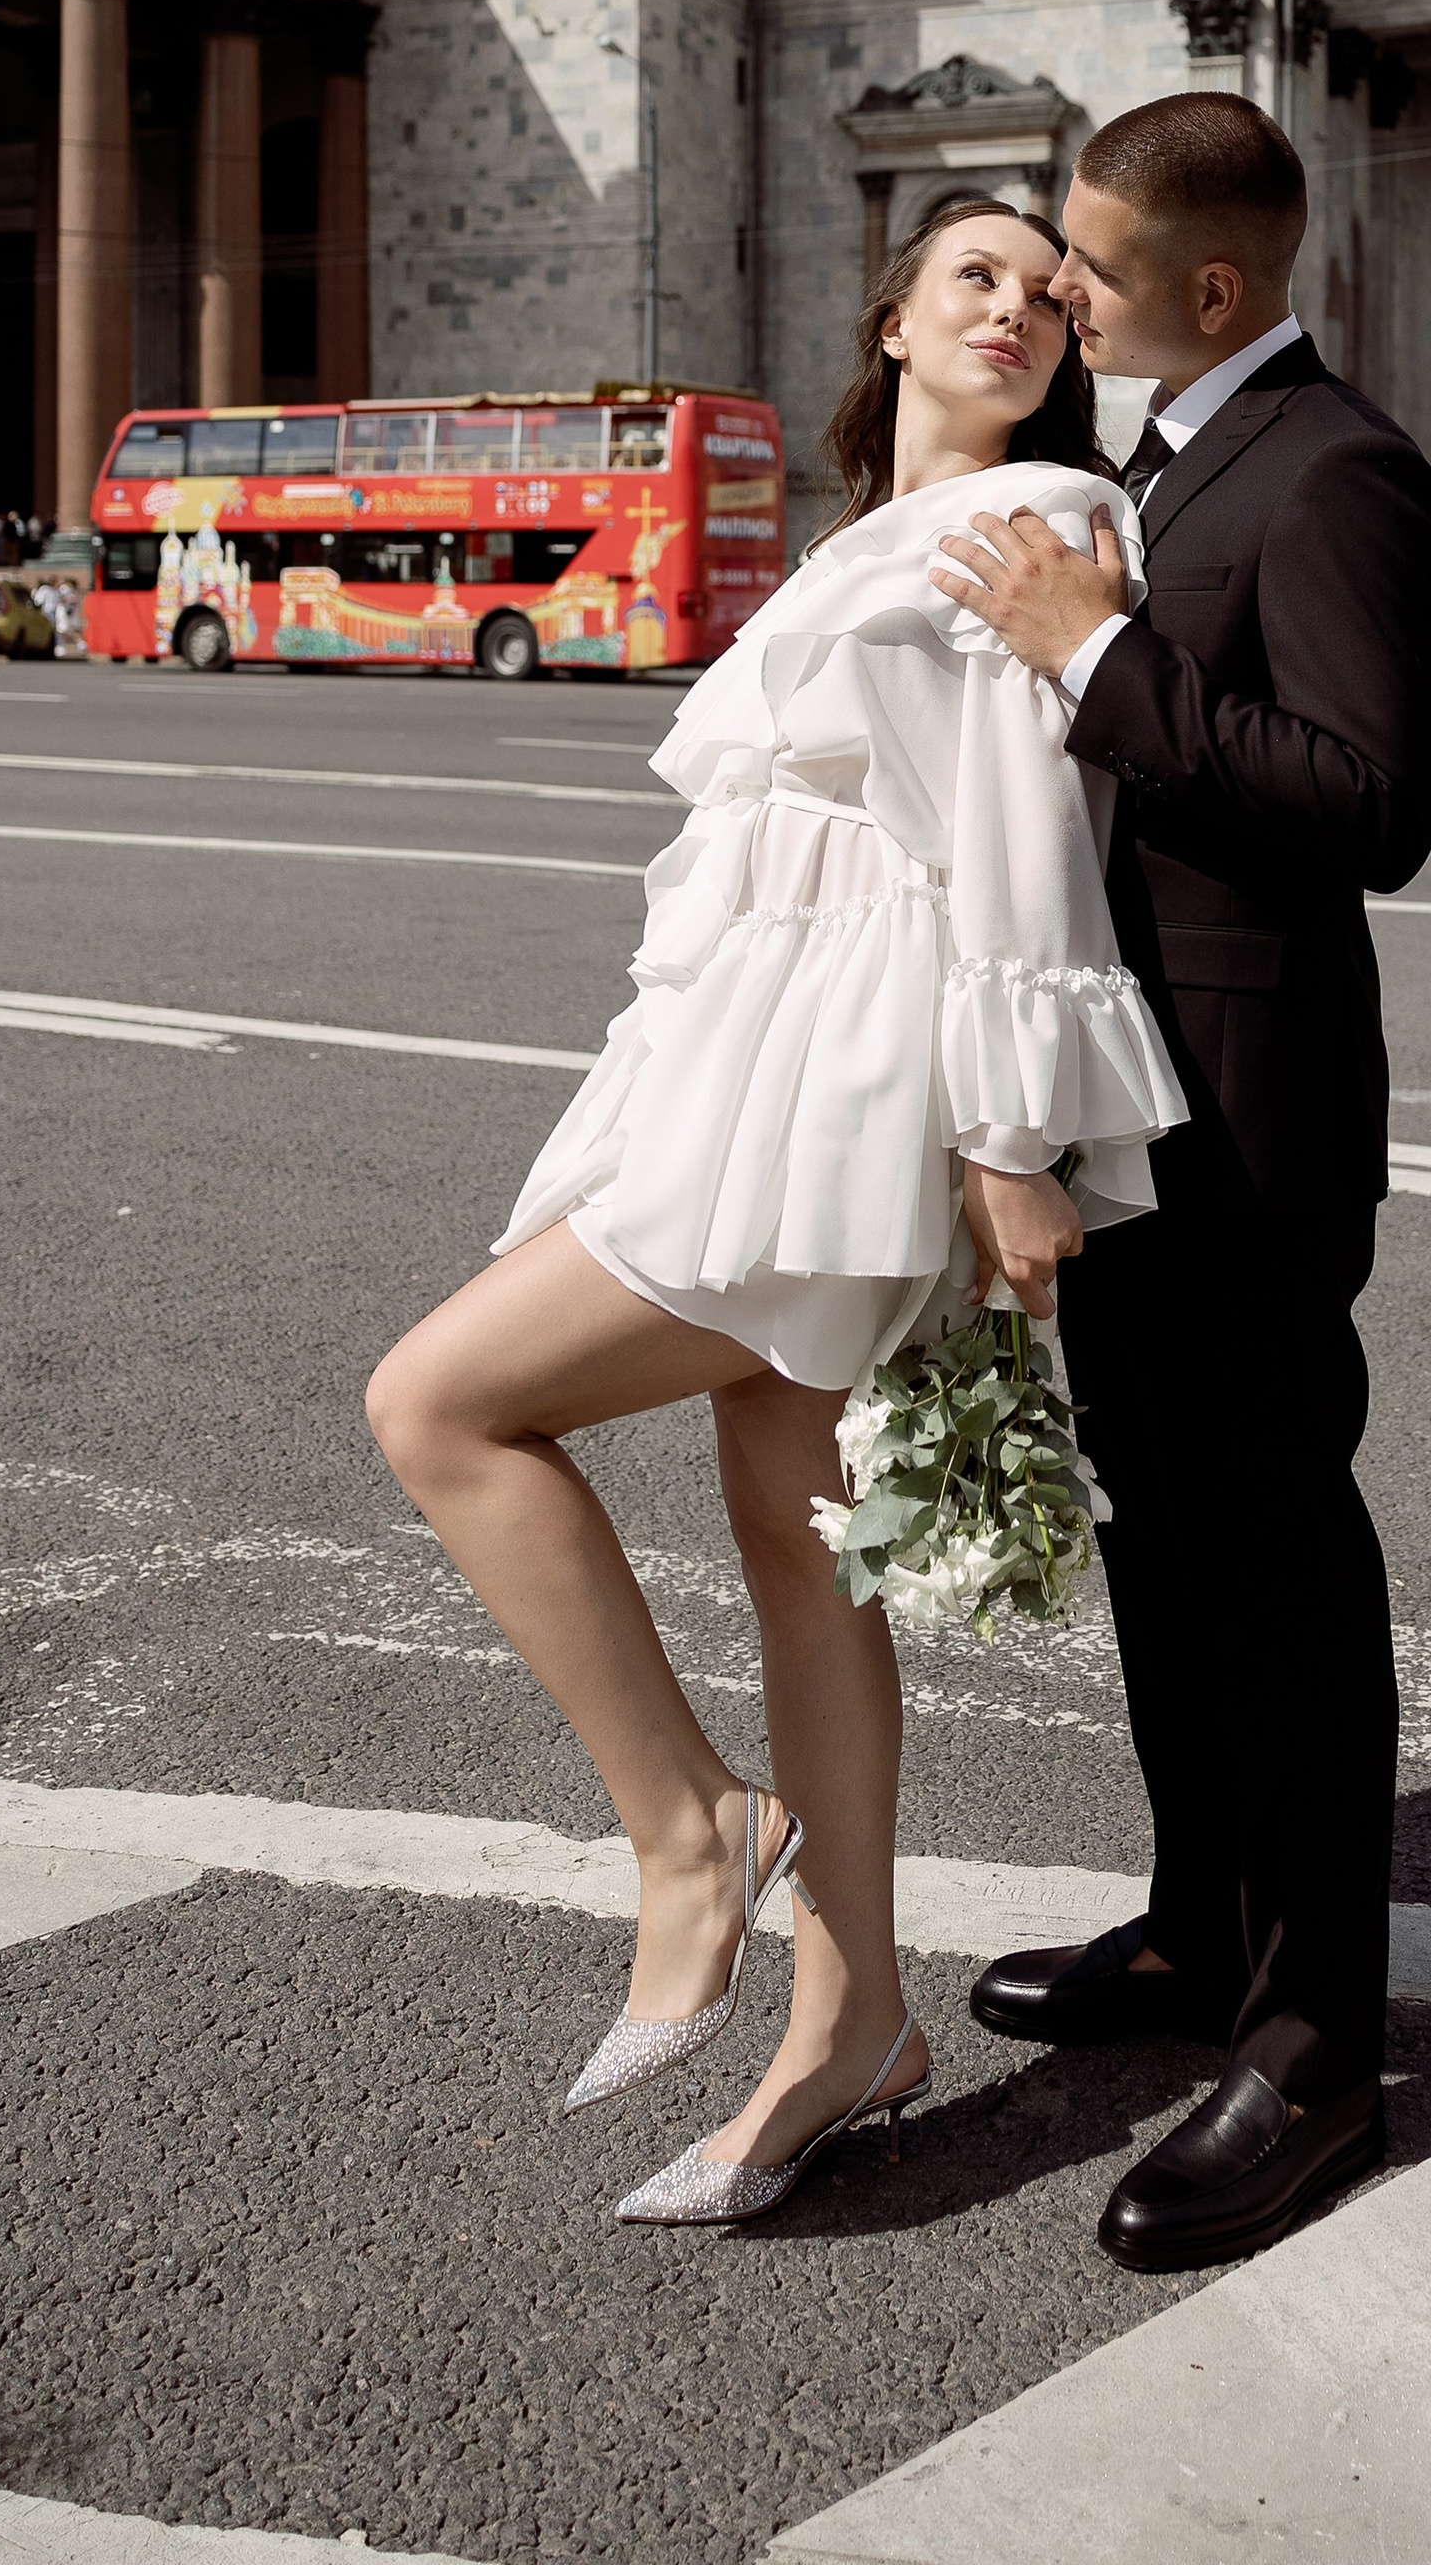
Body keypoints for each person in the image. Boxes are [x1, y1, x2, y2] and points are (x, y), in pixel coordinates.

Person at [364, 200, 1186, 2232]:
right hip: (763, 1066)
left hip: (855, 1088)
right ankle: (852, 2027)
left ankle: (684, 1835)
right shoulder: (859, 544)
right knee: (803, 1557)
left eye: (1041, 288)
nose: (1013, 305)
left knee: (443, 1406)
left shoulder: (1036, 514)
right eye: (969, 276)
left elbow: (1022, 842)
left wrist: (1007, 1139)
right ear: (886, 320)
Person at [928, 93, 1431, 2272]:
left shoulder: (1336, 472)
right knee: (1161, 1536)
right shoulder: (1147, 465)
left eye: (1092, 265)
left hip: (1244, 1116)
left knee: (1276, 1566)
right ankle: (1192, 1923)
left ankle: (1317, 2034)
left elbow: (1367, 804)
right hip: (1116, 1098)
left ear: (1211, 289)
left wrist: (1092, 652)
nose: (1059, 288)